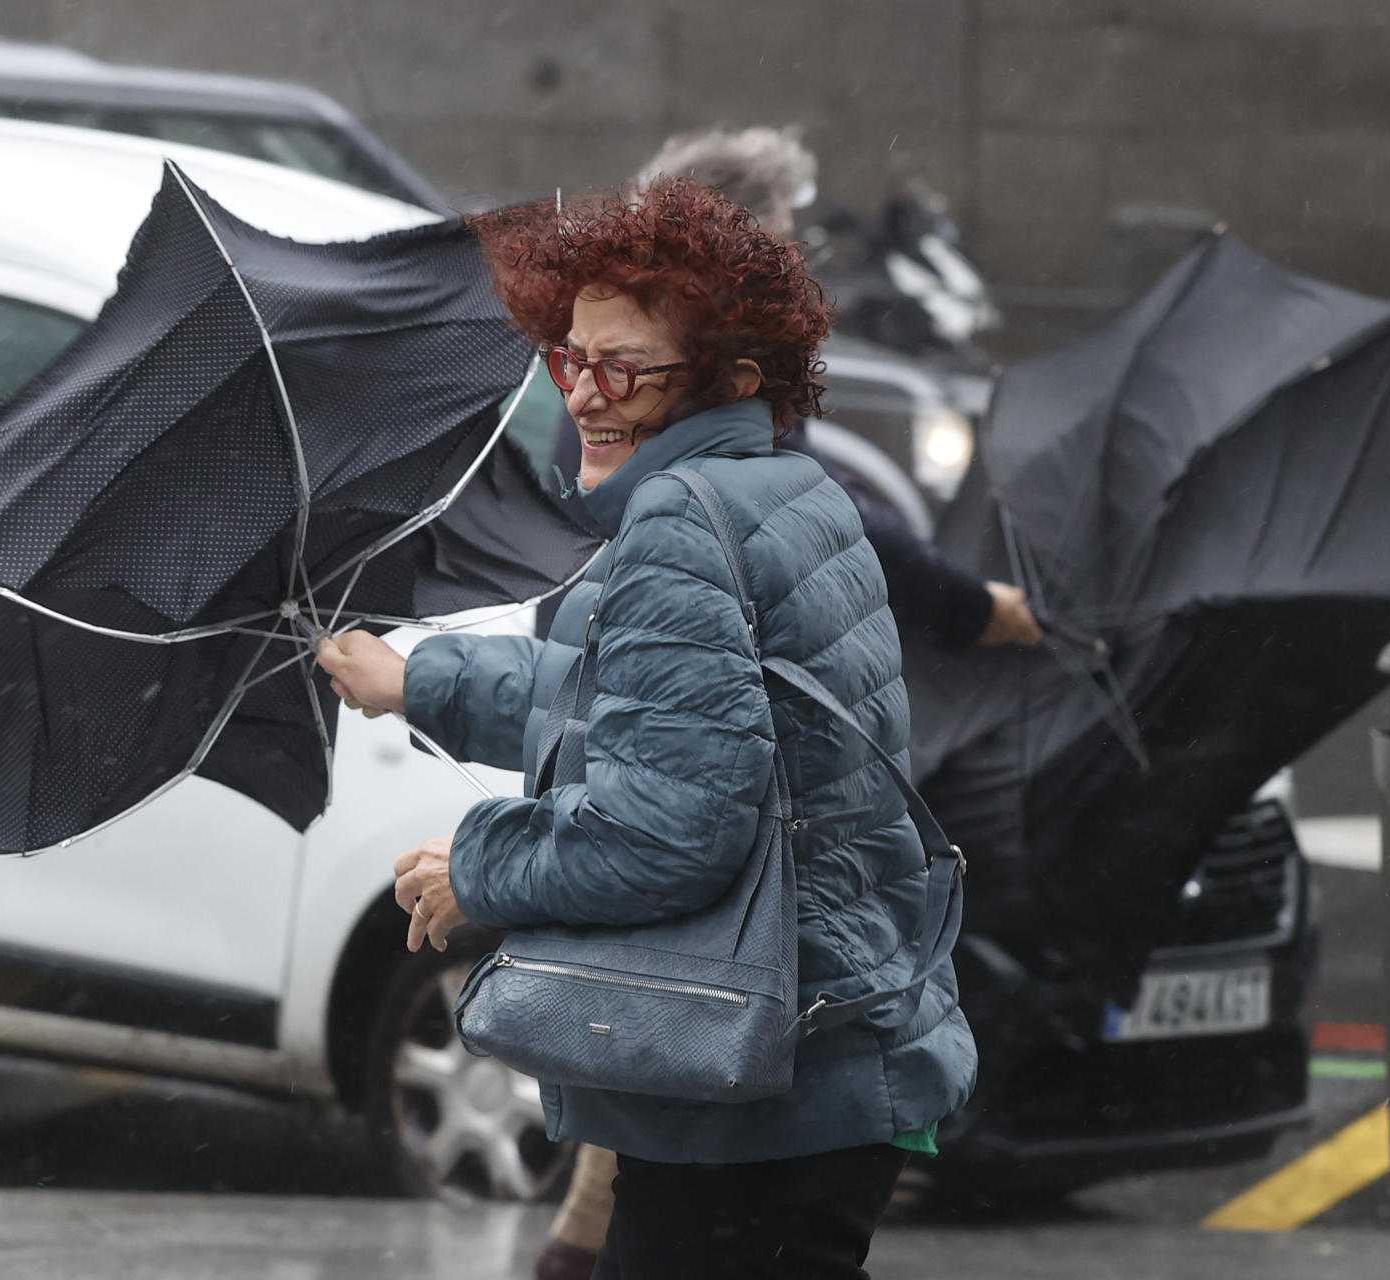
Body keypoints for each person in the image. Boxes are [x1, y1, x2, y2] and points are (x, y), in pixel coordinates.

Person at [318, 179, 976, 1280]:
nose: (582, 393)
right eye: (571, 358)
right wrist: (418, 678)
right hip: (818, 1061)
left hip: (758, 1087)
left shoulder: (679, 524)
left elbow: (671, 825)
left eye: (623, 366)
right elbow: (640, 704)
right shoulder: (783, 491)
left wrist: (479, 865)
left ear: (732, 376)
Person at [526, 125, 1040, 656]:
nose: (797, 260)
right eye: (785, 238)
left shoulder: (620, 342)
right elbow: (827, 515)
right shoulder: (710, 363)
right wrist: (972, 607)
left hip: (581, 663)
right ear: (736, 240)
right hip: (645, 665)